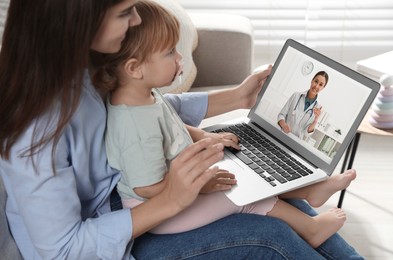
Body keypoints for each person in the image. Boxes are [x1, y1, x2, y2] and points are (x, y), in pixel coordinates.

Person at [0, 0, 363, 259]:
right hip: (117, 227)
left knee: (273, 190)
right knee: (269, 233)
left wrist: (236, 97)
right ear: (75, 19)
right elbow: (62, 250)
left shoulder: (84, 67)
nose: (138, 19)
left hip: (135, 190)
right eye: (125, 12)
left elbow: (150, 110)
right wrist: (173, 197)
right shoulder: (33, 130)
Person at [95, 0, 357, 249]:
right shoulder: (133, 124)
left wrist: (206, 138)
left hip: (177, 183)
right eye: (169, 52)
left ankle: (310, 189)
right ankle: (310, 228)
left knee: (243, 168)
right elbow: (147, 187)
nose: (179, 59)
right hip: (160, 211)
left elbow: (173, 128)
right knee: (240, 193)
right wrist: (201, 186)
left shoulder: (146, 95)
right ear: (134, 68)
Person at [278, 71, 329, 139]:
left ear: (323, 88)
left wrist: (316, 119)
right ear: (312, 80)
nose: (316, 86)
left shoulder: (318, 109)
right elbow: (281, 115)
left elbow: (306, 133)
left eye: (320, 85)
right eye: (316, 81)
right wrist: (284, 125)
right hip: (281, 134)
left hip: (295, 142)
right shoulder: (296, 96)